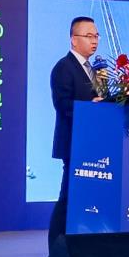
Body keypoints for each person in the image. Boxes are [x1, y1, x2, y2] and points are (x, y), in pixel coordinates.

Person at [48, 16, 103, 243]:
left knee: (86, 200)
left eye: (96, 36)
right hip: (74, 144)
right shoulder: (64, 67)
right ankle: (56, 248)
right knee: (68, 198)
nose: (94, 41)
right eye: (89, 36)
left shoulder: (95, 70)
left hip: (93, 146)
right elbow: (62, 104)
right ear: (74, 39)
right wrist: (90, 107)